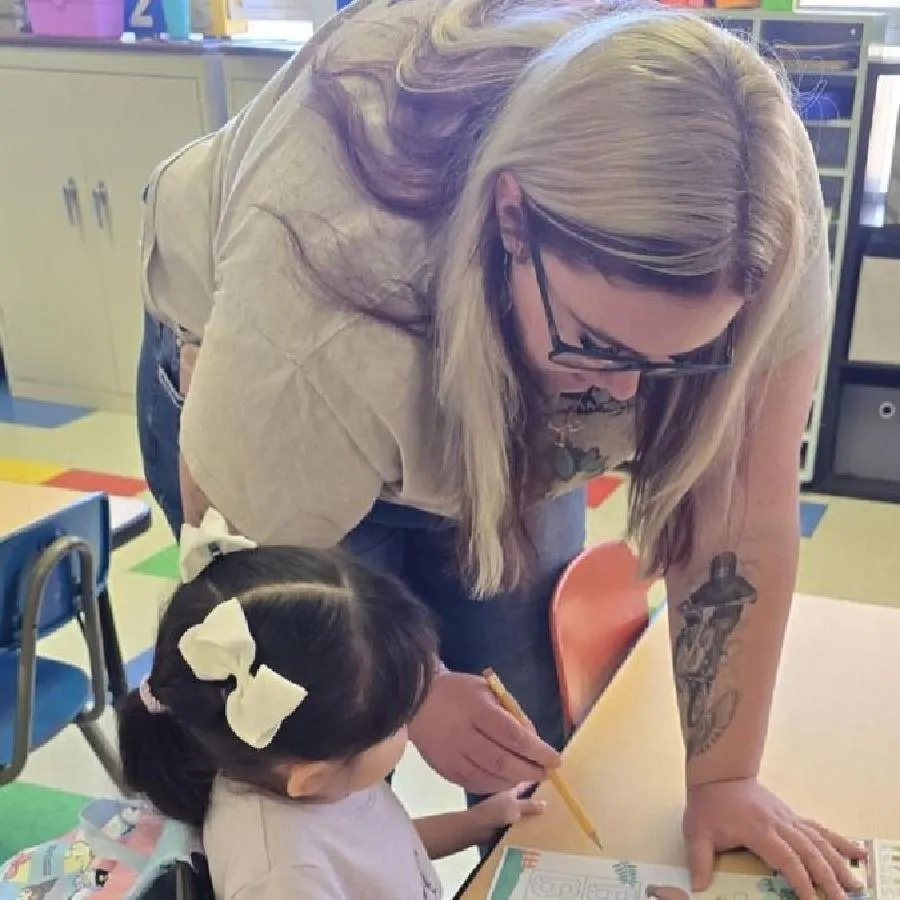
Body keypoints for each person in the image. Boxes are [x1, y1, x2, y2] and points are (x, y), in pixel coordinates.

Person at [135, 0, 865, 895]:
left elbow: (741, 519)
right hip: (295, 381)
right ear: (511, 222)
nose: (629, 398)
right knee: (331, 731)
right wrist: (414, 688)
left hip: (478, 368)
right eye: (601, 344)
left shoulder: (757, 212)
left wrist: (724, 778)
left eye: (684, 360)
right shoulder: (328, 300)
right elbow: (258, 601)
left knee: (525, 740)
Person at [117, 510, 545, 899]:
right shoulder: (282, 878)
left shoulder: (313, 768)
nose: (412, 724)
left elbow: (378, 850)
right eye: (402, 719)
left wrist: (476, 823)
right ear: (313, 776)